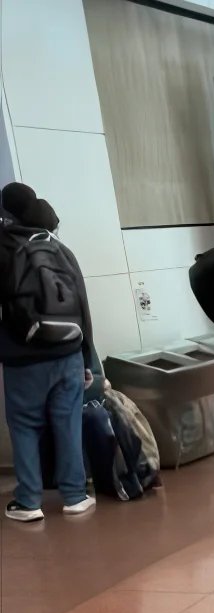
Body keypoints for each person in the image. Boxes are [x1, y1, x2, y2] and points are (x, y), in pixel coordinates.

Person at [0, 182, 97, 521]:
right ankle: (75, 495)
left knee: (25, 425)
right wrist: (87, 360)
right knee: (67, 422)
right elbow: (83, 305)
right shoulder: (57, 247)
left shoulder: (4, 247)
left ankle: (28, 502)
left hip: (23, 356)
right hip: (69, 349)